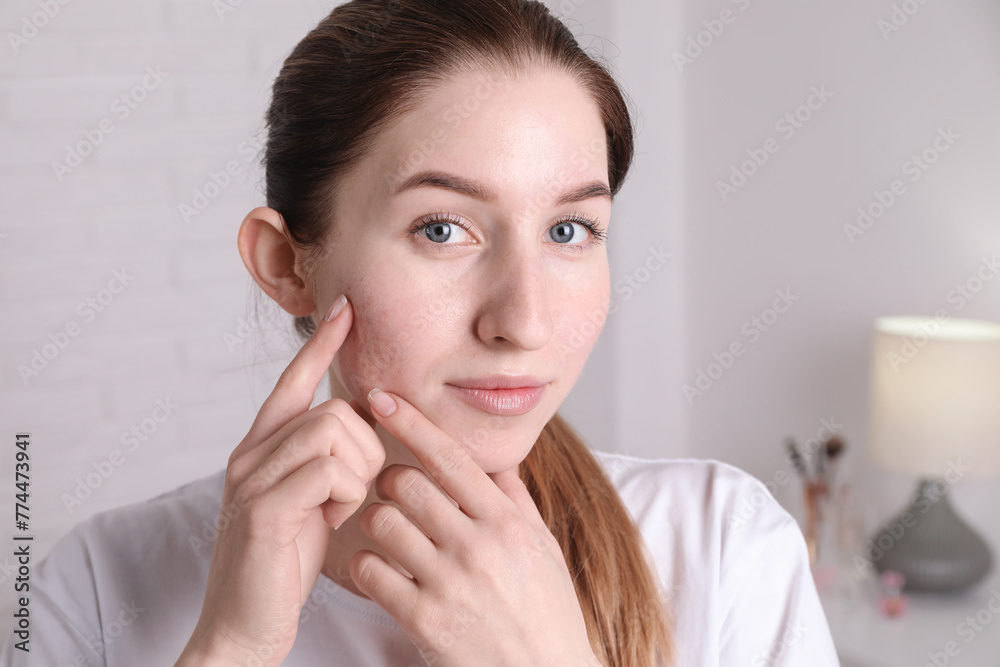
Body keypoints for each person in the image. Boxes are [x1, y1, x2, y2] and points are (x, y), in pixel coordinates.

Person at [0, 1, 841, 665]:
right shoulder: (97, 587)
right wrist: (233, 644)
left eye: (569, 230)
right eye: (442, 229)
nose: (524, 321)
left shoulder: (724, 547)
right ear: (289, 263)